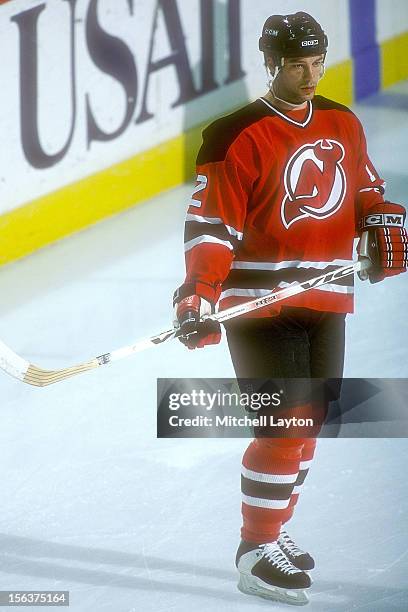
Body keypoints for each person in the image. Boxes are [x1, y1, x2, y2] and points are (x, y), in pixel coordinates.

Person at [173, 11, 407, 605]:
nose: (310, 75)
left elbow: (363, 190)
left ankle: (274, 529)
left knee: (313, 424)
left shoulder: (341, 122)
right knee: (285, 425)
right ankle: (255, 551)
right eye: (297, 65)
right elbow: (211, 225)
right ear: (272, 65)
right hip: (260, 305)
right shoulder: (235, 135)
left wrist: (379, 221)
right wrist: (200, 291)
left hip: (327, 295)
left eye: (317, 62)